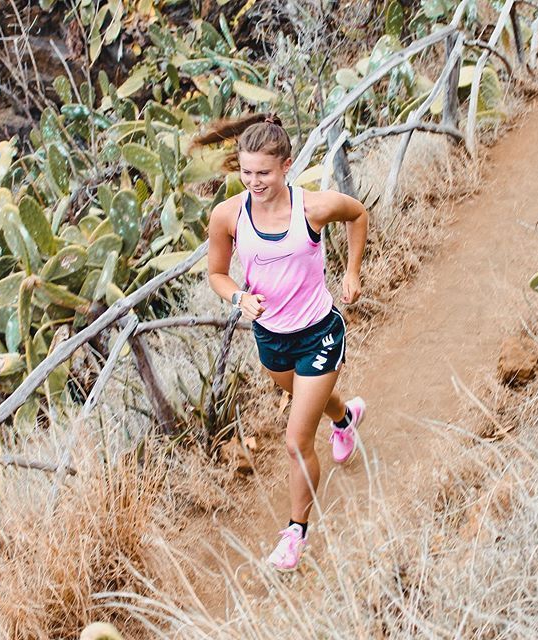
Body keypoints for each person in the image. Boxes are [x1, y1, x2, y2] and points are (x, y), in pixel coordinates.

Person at [202, 112, 368, 572]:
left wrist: (352, 271)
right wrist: (238, 297)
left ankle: (296, 532)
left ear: (286, 166)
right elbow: (216, 273)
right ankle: (346, 416)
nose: (254, 181)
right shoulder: (227, 215)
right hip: (271, 338)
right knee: (307, 401)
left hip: (319, 330)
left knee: (296, 439)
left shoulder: (311, 208)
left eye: (264, 172)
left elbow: (357, 214)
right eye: (246, 171)